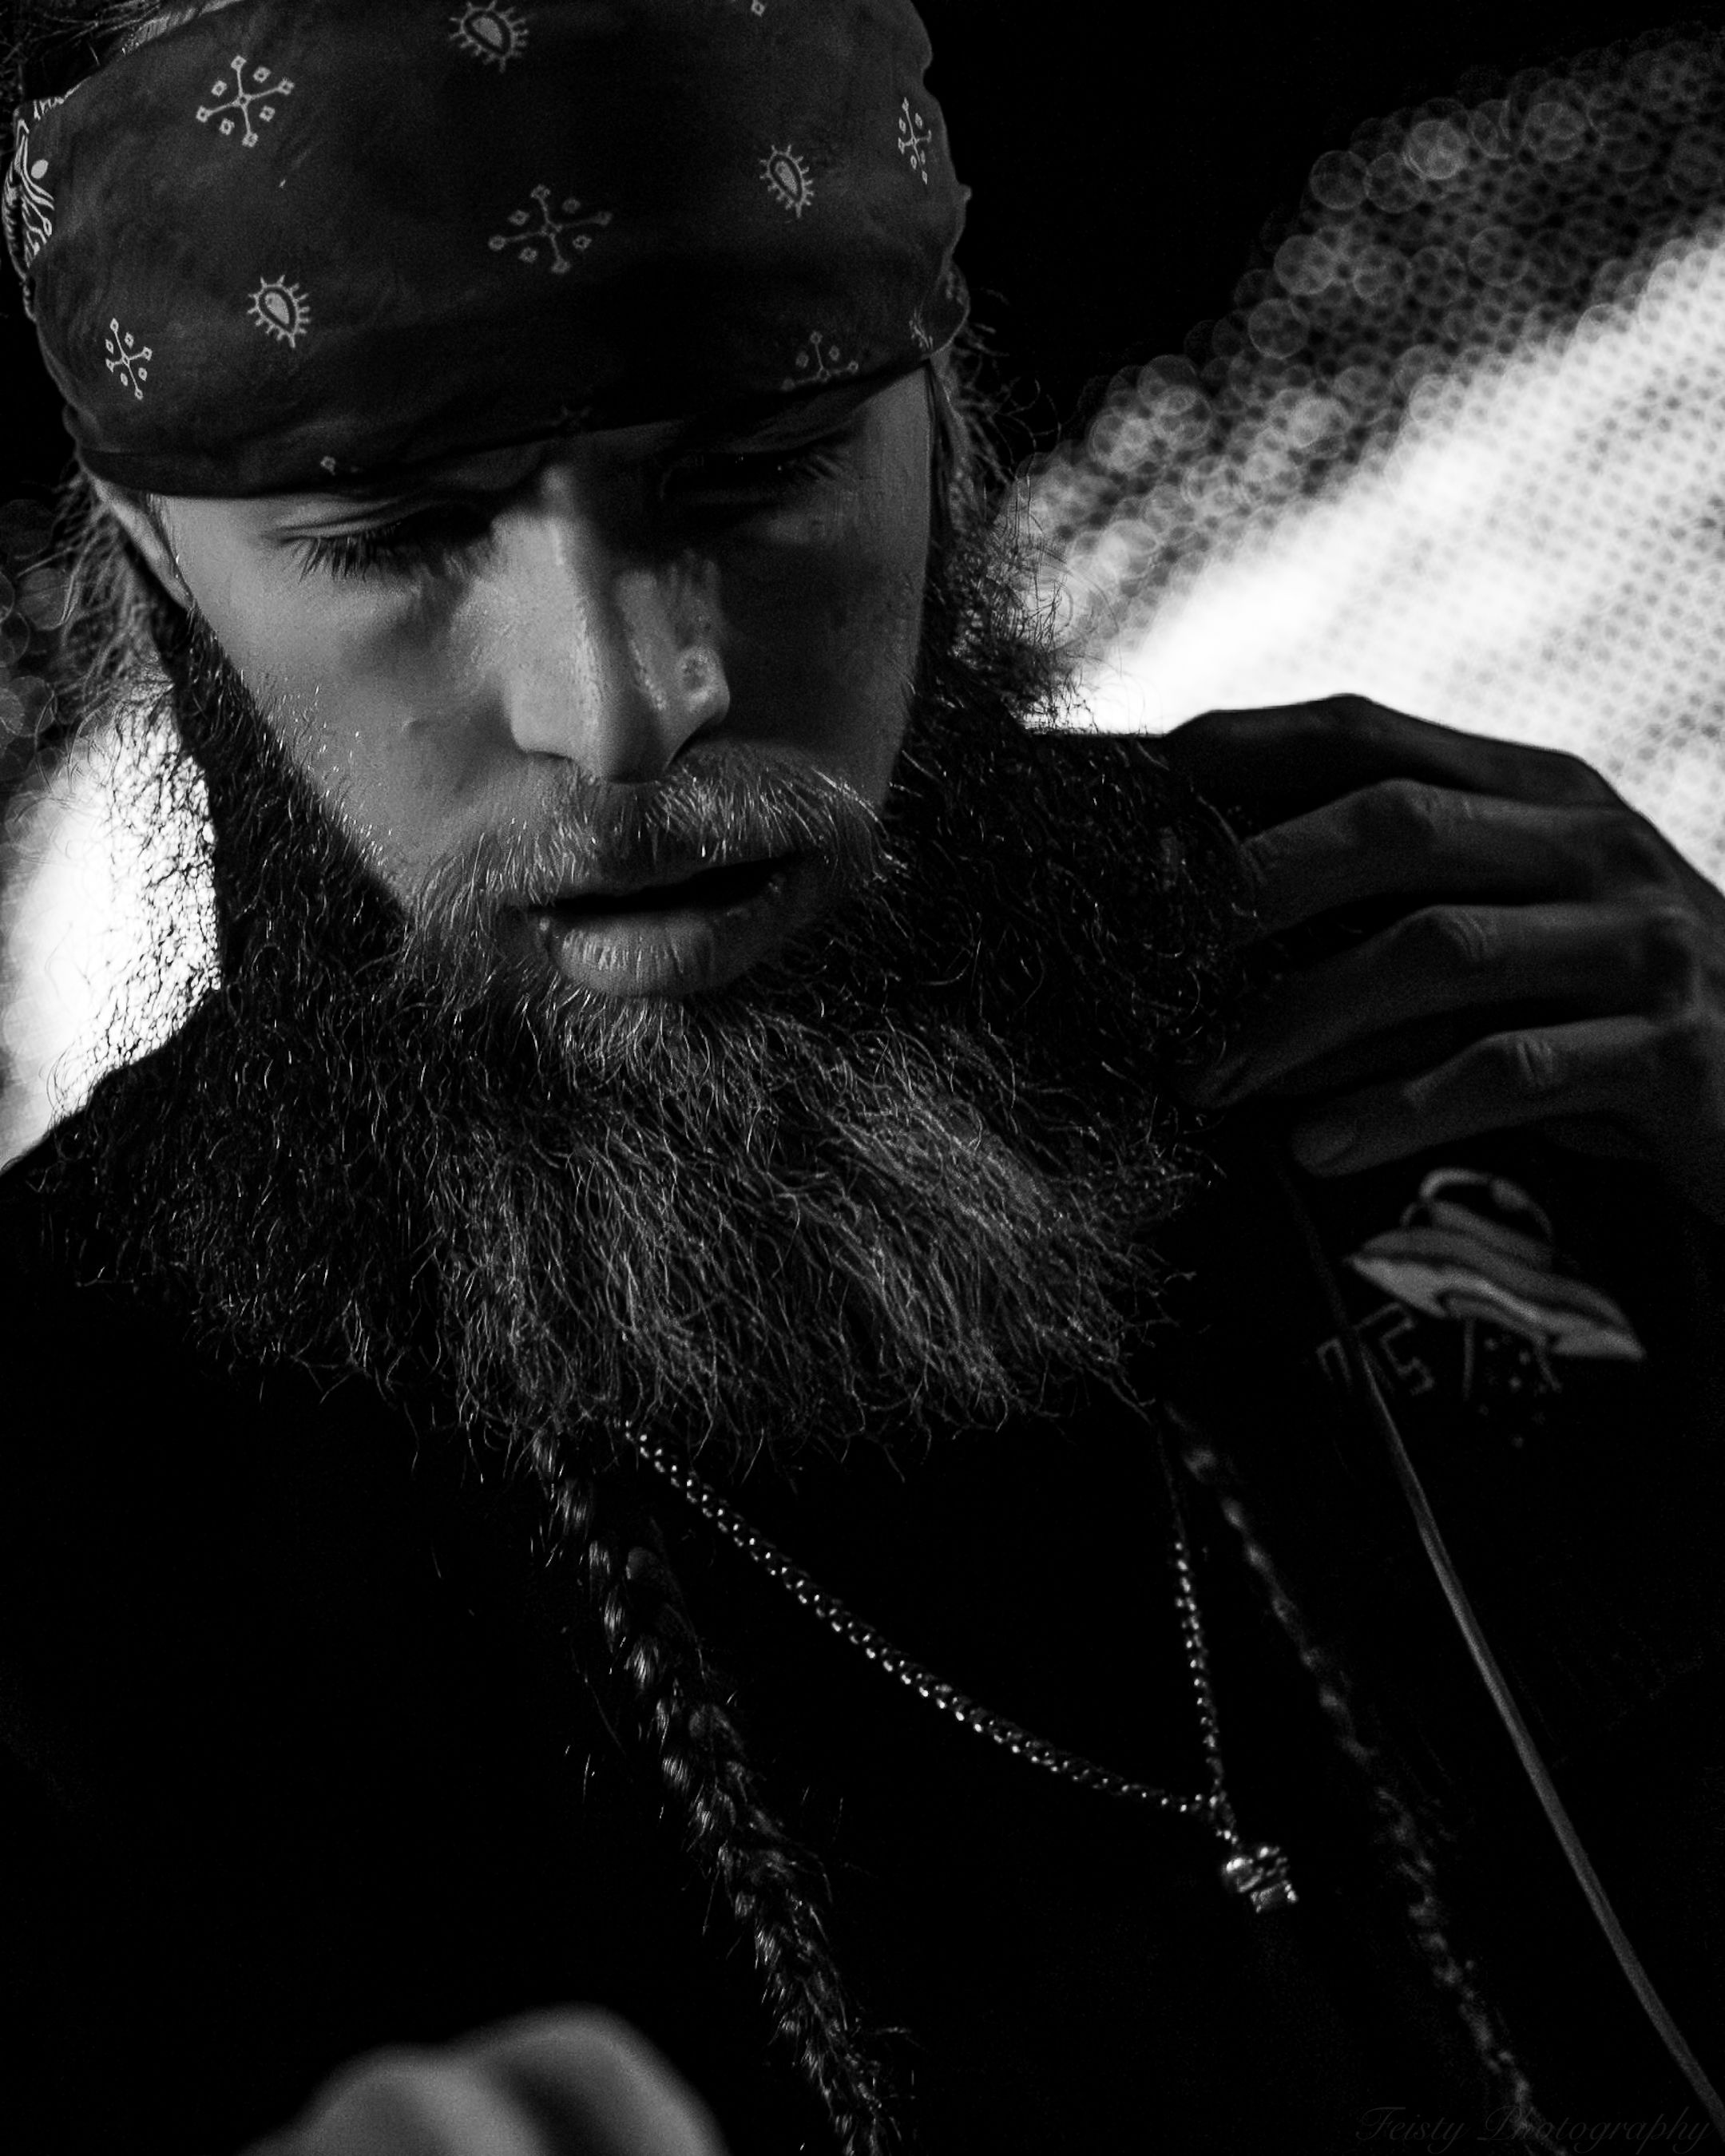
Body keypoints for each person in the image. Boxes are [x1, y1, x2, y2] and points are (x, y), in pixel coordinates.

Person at [2, 3, 1723, 2152]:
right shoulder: (56, 1508)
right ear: (164, 571)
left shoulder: (1457, 977)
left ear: (946, 416)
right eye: (397, 533)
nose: (628, 708)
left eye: (752, 469)